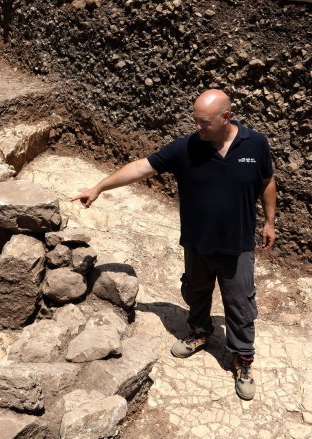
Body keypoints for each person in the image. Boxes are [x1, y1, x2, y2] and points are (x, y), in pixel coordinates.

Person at [70, 89, 276, 401]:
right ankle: (200, 333)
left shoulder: (255, 144)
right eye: (195, 121)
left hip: (238, 246)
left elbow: (267, 181)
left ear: (226, 118)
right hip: (197, 243)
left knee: (241, 305)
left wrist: (271, 221)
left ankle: (243, 359)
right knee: (196, 292)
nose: (198, 128)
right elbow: (141, 167)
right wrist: (99, 187)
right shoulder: (186, 148)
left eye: (204, 122)